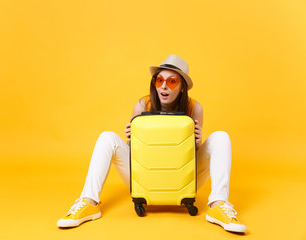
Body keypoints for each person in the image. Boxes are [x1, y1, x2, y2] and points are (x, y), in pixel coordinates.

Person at [57, 54, 247, 233]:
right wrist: (131, 140)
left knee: (221, 136)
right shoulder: (142, 105)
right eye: (159, 80)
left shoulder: (194, 107)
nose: (164, 86)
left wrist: (197, 142)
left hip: (183, 181)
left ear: (182, 87)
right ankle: (88, 202)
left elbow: (193, 158)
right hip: (145, 179)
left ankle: (219, 204)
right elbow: (134, 157)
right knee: (107, 137)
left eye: (172, 81)